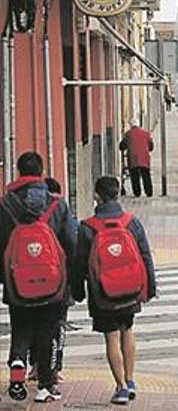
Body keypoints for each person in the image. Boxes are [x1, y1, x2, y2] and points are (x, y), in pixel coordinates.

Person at [0, 153, 77, 403]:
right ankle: (45, 385)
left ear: (19, 172)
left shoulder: (4, 206)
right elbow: (72, 244)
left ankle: (18, 364)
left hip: (17, 283)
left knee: (20, 328)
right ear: (42, 171)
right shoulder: (57, 204)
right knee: (49, 332)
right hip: (54, 284)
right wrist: (74, 282)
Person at [74, 176, 156, 405]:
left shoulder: (87, 227)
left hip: (102, 293)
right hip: (130, 289)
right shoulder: (132, 222)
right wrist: (150, 287)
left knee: (111, 337)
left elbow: (80, 262)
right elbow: (146, 255)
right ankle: (131, 380)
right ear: (118, 194)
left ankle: (120, 388)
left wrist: (78, 291)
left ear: (97, 196)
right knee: (127, 330)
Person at [119, 119, 154, 198]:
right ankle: (149, 192)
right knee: (146, 176)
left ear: (131, 125)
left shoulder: (128, 134)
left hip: (133, 158)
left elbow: (122, 146)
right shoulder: (146, 133)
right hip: (144, 159)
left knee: (134, 176)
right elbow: (151, 147)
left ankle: (137, 192)